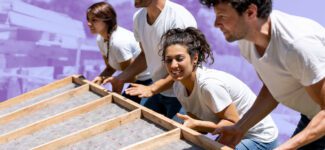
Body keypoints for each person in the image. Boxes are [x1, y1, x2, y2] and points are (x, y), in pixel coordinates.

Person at [200, 0, 325, 149]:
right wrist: (240, 127)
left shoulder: (298, 46)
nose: (216, 23)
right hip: (314, 118)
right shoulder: (246, 40)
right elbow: (274, 88)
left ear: (251, 12)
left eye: (222, 16)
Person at [160, 27, 278, 149]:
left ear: (194, 58)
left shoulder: (209, 86)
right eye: (168, 60)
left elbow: (234, 124)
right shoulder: (178, 87)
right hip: (231, 134)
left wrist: (197, 124)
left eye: (179, 59)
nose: (173, 65)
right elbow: (197, 125)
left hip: (258, 138)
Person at [107, 0, 197, 119]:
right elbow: (145, 55)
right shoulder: (138, 18)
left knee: (174, 137)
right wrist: (121, 78)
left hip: (184, 96)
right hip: (157, 91)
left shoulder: (179, 18)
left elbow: (185, 66)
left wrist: (152, 88)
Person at [86, 2, 152, 104]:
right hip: (138, 80)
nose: (89, 24)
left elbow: (131, 76)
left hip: (149, 81)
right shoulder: (100, 39)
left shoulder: (119, 42)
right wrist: (100, 78)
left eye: (94, 20)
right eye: (88, 20)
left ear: (107, 20)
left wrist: (115, 84)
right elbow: (110, 68)